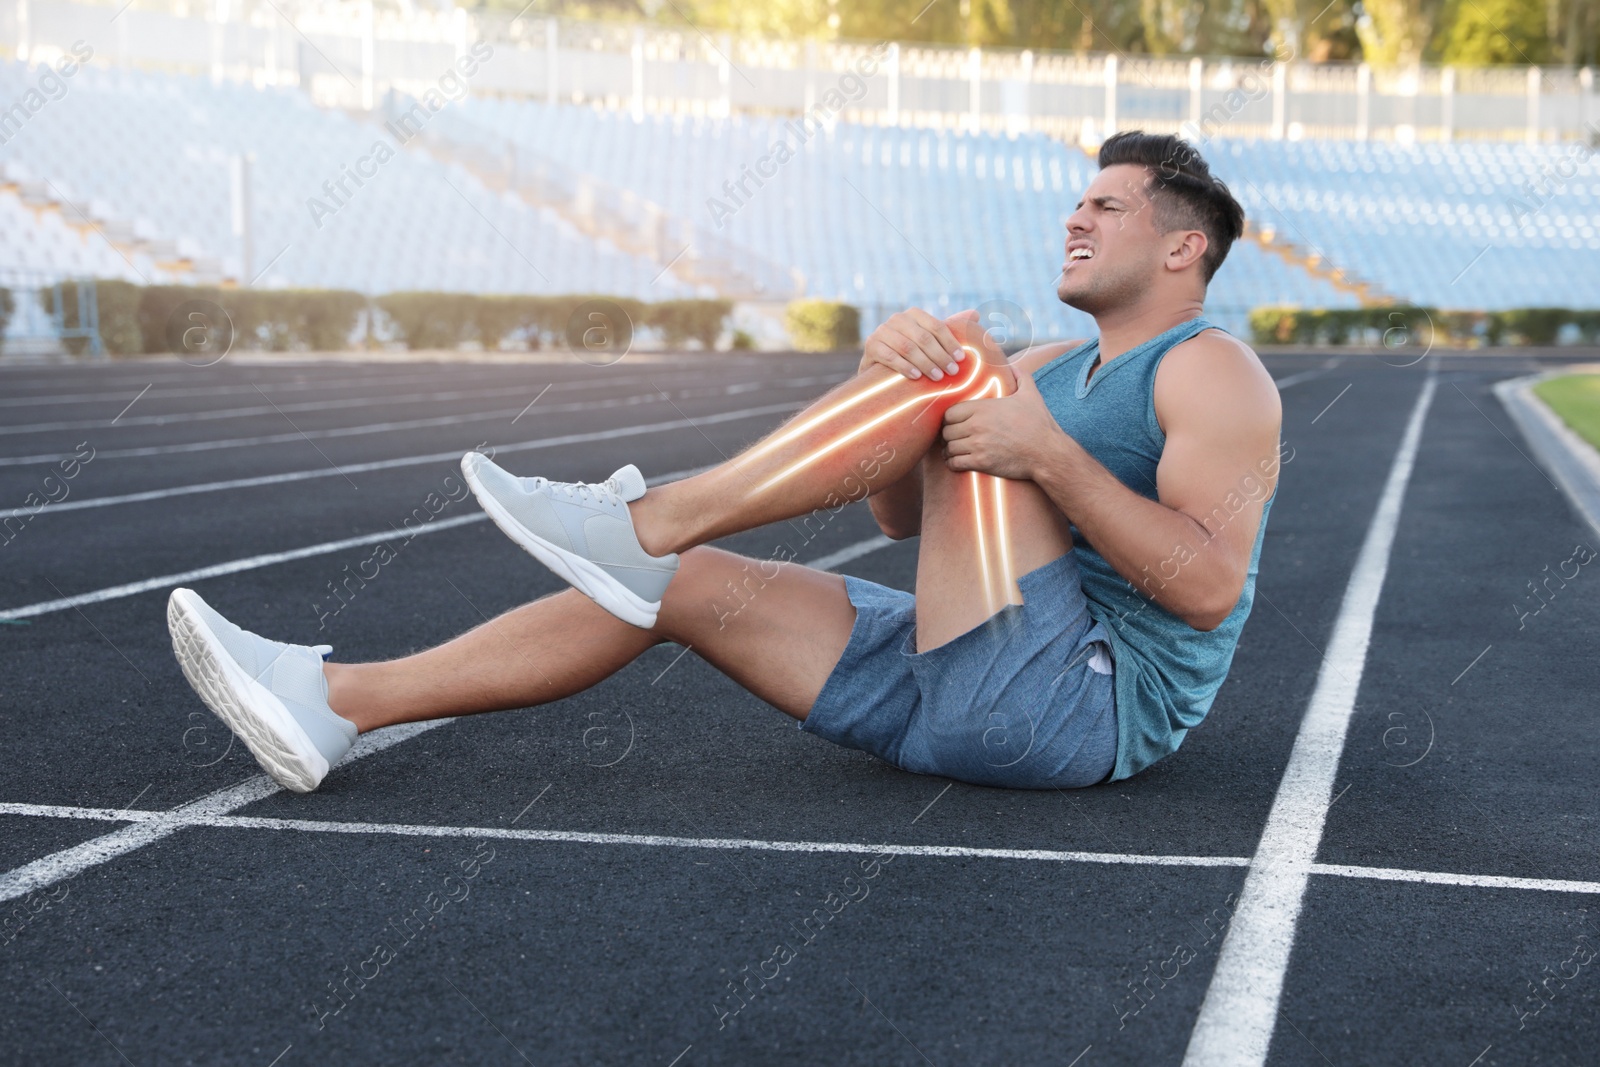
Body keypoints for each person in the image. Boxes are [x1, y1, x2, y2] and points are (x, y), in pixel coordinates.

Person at [166, 130, 1283, 795]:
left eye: (1107, 205)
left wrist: (1043, 453)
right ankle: (333, 701)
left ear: (1184, 246)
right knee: (678, 586)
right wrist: (887, 379)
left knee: (961, 367)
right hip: (957, 685)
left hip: (1078, 708)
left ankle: (650, 516)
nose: (1073, 217)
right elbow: (903, 521)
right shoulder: (1048, 363)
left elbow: (1208, 585)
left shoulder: (1211, 371)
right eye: (1075, 199)